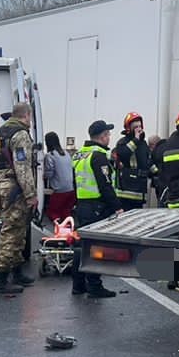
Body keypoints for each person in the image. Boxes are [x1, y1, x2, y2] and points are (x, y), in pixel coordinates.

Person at [0, 101, 38, 294]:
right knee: (11, 233)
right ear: (27, 116)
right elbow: (23, 167)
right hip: (15, 189)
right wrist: (31, 195)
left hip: (1, 186)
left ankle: (17, 271)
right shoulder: (21, 135)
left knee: (19, 231)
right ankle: (0, 279)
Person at [70, 120, 121, 298]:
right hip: (97, 207)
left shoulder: (78, 155)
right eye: (108, 134)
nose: (109, 137)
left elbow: (74, 183)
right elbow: (105, 185)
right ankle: (94, 285)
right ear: (102, 136)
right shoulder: (99, 156)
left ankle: (78, 284)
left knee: (82, 245)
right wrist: (118, 207)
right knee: (96, 247)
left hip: (82, 205)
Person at [112, 112, 153, 209]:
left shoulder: (143, 143)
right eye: (136, 127)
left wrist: (157, 173)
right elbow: (124, 154)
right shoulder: (122, 142)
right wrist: (135, 139)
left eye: (140, 126)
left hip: (139, 191)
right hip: (125, 193)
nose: (139, 129)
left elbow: (147, 161)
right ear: (128, 128)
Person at [42, 131, 76, 224]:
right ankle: (68, 232)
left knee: (52, 213)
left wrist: (42, 175)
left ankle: (58, 232)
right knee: (66, 213)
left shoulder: (50, 155)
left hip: (59, 191)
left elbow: (49, 173)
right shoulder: (66, 153)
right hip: (71, 190)